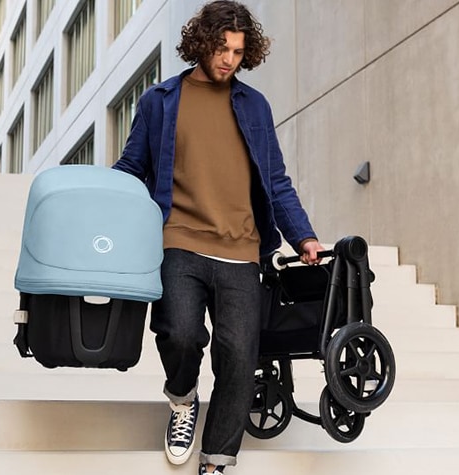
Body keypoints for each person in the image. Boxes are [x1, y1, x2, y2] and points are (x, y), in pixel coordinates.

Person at [112, 1, 324, 473]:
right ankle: (182, 400)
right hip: (178, 241)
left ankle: (218, 459)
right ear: (200, 43)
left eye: (238, 51)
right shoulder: (160, 101)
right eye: (221, 48)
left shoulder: (254, 106)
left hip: (242, 250)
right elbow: (130, 170)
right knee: (180, 334)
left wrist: (303, 237)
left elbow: (276, 180)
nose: (229, 59)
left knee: (238, 354)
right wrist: (98, 203)